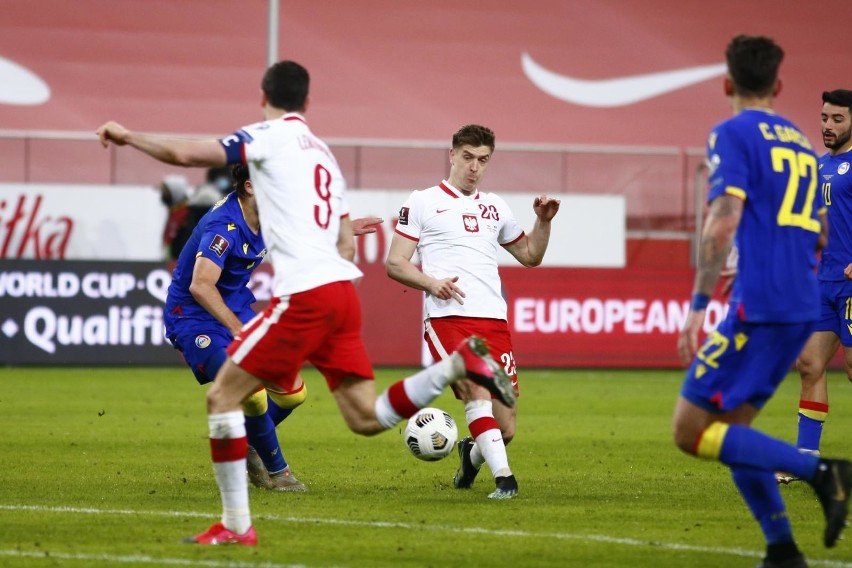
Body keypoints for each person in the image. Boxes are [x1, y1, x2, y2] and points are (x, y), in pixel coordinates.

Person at [96, 59, 515, 546]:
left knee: (223, 396)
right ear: (309, 103)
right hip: (341, 292)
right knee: (364, 417)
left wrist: (128, 137)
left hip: (307, 296)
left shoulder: (269, 138)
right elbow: (345, 244)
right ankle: (454, 368)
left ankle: (237, 527)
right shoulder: (322, 154)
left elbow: (185, 154)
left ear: (262, 97)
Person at [673, 35, 852, 568]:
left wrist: (701, 301)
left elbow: (723, 216)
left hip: (766, 304)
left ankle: (822, 471)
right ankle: (781, 549)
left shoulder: (731, 132)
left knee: (691, 429)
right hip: (800, 301)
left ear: (728, 83)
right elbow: (819, 229)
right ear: (777, 85)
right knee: (734, 429)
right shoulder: (800, 143)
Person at [164, 164, 383, 492]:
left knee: (294, 393)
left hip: (234, 308)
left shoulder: (270, 212)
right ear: (250, 186)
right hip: (193, 317)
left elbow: (302, 228)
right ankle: (278, 474)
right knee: (251, 391)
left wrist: (344, 228)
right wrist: (240, 329)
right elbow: (200, 285)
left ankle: (249, 445)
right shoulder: (224, 226)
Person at [386, 124, 559, 500]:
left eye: (483, 160)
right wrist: (432, 284)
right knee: (473, 390)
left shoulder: (495, 206)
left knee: (506, 427)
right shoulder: (422, 201)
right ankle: (505, 480)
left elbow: (530, 256)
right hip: (448, 318)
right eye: (467, 158)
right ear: (452, 155)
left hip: (493, 323)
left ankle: (470, 456)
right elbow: (395, 263)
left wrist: (543, 223)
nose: (474, 167)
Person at [776, 90, 852, 486]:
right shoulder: (819, 167)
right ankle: (806, 460)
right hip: (821, 283)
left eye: (838, 119)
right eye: (824, 117)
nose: (827, 126)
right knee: (809, 365)